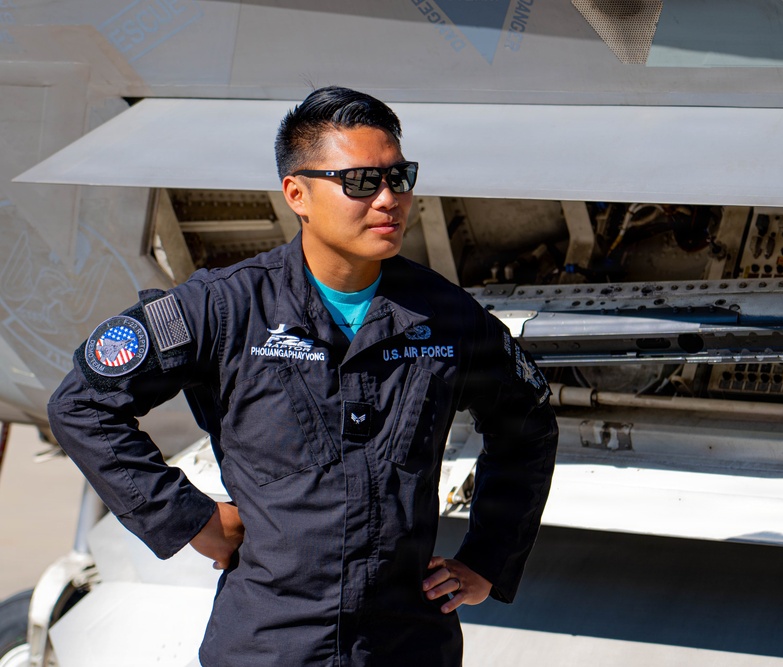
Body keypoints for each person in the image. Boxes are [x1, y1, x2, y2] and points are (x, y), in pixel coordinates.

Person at [47, 86, 559, 666]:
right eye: (361, 182)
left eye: (400, 177)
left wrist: (488, 559)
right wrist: (187, 518)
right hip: (270, 643)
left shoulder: (445, 316)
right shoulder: (225, 308)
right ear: (298, 194)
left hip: (405, 644)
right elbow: (83, 405)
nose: (388, 198)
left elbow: (528, 423)